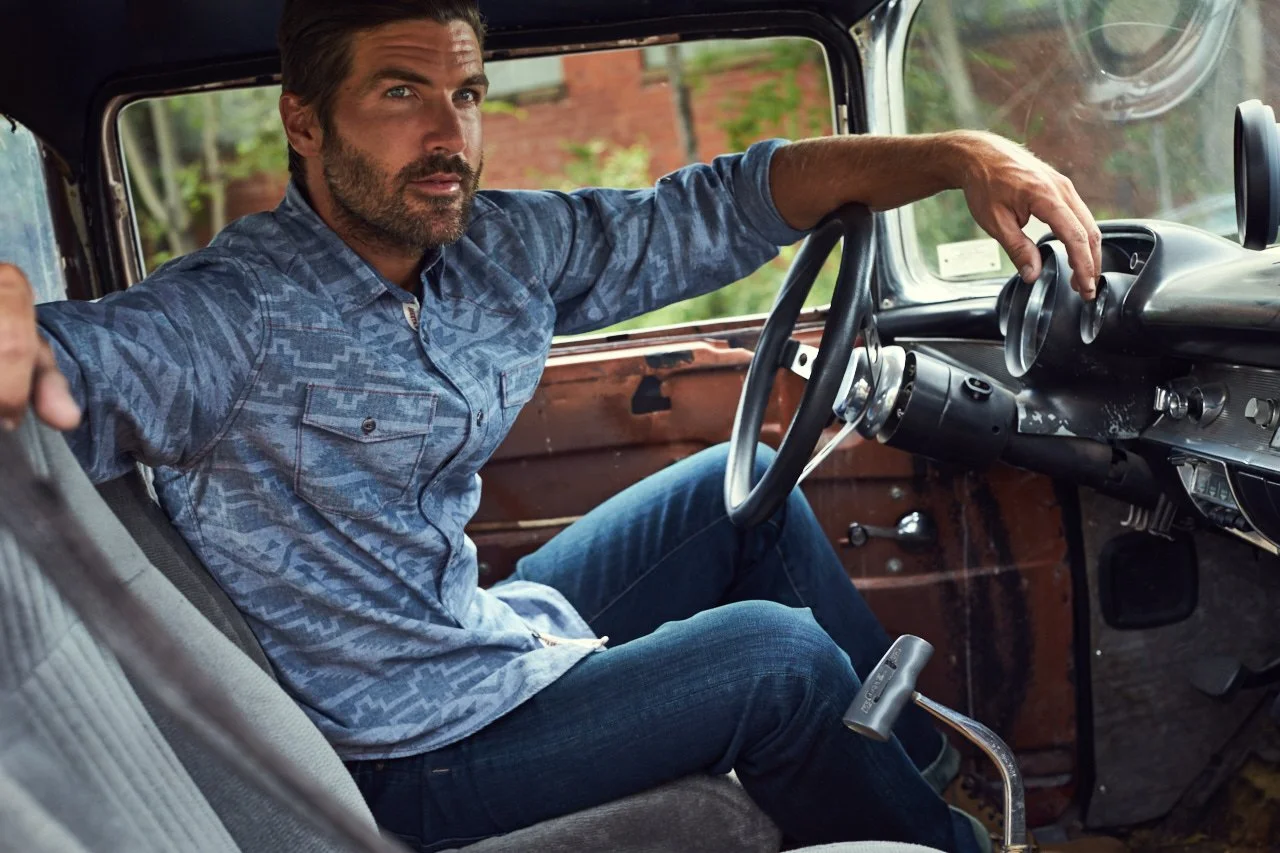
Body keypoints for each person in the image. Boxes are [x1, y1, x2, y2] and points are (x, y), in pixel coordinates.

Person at [0, 1, 1119, 851]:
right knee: (776, 660)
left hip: (472, 636)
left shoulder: (494, 249)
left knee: (730, 503)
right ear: (303, 121)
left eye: (468, 96)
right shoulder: (228, 314)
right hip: (402, 751)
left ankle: (920, 774)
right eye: (399, 95)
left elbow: (719, 205)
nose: (447, 136)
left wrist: (949, 158)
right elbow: (71, 365)